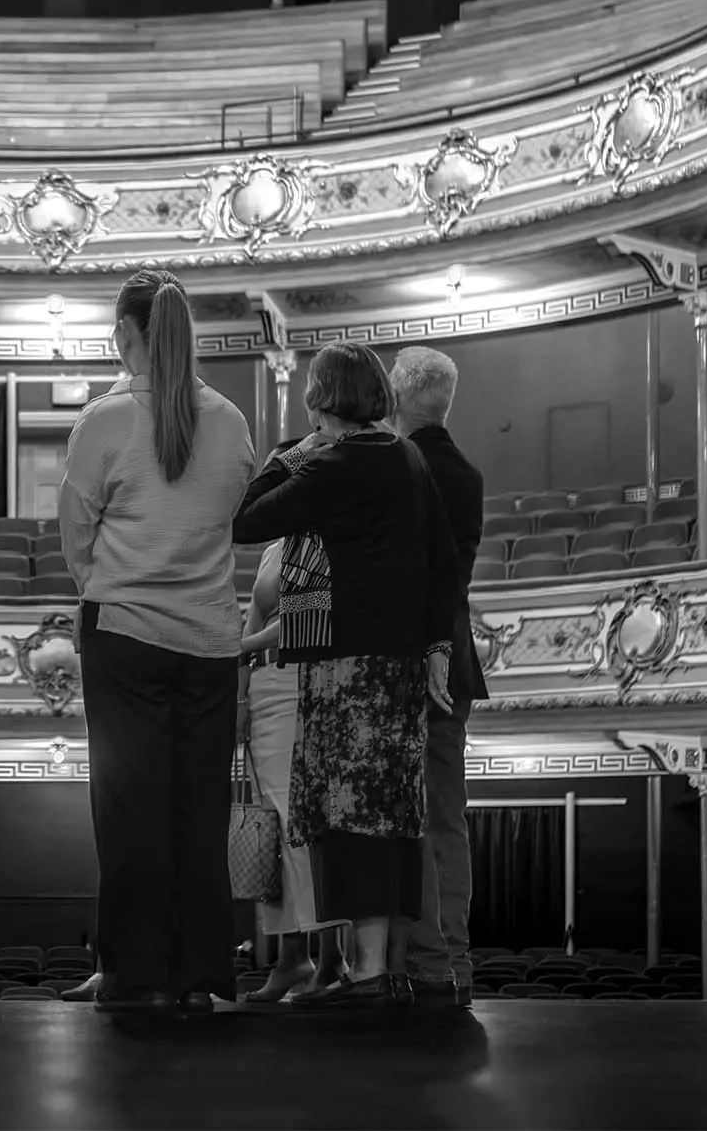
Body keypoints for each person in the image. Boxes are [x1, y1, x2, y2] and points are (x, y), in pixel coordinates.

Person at [230, 343, 458, 1011]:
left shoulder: (335, 462)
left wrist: (288, 453)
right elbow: (444, 561)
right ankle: (380, 969)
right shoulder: (407, 458)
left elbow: (247, 518)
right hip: (399, 670)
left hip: (343, 668)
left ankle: (362, 975)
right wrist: (437, 645)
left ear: (320, 398)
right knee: (388, 818)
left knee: (345, 818)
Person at [60, 269, 256, 1014]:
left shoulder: (104, 421)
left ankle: (132, 972)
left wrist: (109, 582)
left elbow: (77, 536)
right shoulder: (232, 422)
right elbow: (228, 517)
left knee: (129, 815)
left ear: (124, 336)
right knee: (198, 814)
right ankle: (199, 973)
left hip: (127, 636)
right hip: (208, 640)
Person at [389, 347, 487, 1009]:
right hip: (456, 658)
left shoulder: (400, 466)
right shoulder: (467, 471)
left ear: (397, 394)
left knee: (405, 821)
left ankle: (422, 962)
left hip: (408, 661)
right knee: (446, 819)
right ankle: (453, 957)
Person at [236, 535, 344, 1004]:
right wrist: (240, 696)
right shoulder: (273, 548)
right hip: (265, 685)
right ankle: (291, 957)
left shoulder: (330, 538)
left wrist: (244, 643)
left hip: (309, 677)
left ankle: (329, 958)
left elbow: (313, 613)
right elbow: (255, 614)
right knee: (273, 827)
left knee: (305, 823)